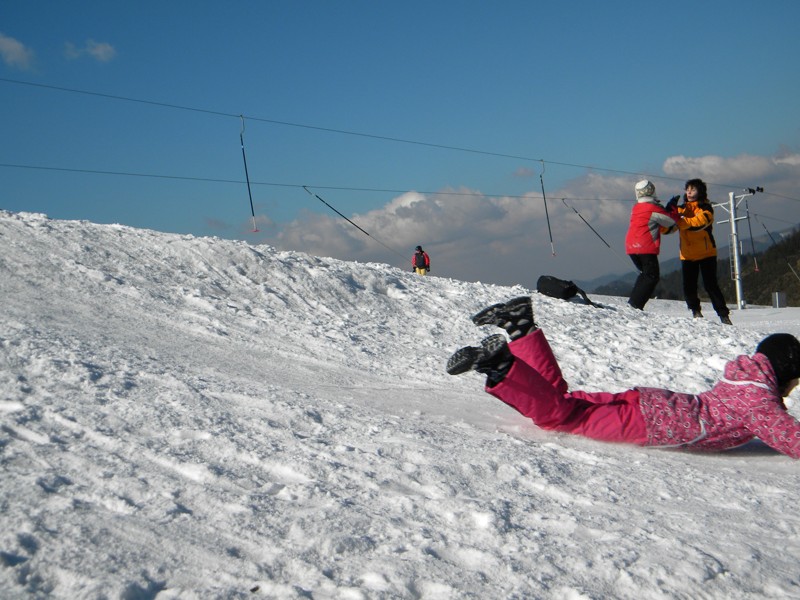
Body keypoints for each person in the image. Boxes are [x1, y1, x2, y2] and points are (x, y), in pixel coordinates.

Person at [446, 296, 800, 458]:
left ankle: (521, 328)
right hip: (651, 422)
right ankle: (502, 366)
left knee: (562, 403)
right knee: (558, 417)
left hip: (652, 406)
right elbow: (788, 436)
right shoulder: (758, 404)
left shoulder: (743, 381)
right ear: (784, 372)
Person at [675, 178, 732, 325]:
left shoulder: (706, 207)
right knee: (689, 286)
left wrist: (680, 221)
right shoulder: (681, 209)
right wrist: (666, 215)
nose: (689, 191)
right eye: (687, 189)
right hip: (687, 254)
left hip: (707, 253)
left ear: (700, 191)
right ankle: (695, 311)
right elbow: (668, 227)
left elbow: (699, 223)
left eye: (693, 189)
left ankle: (723, 315)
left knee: (711, 285)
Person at [625, 180, 679, 310]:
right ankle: (635, 305)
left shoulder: (636, 208)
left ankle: (633, 303)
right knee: (651, 276)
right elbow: (670, 221)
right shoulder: (653, 208)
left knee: (645, 274)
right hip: (645, 245)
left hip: (631, 246)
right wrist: (672, 208)